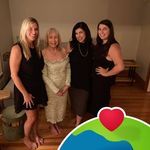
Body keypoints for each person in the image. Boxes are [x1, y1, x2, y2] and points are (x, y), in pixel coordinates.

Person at [9, 17, 48, 149]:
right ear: (24, 30)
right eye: (30, 28)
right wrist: (25, 94)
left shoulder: (36, 47)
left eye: (36, 29)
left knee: (37, 115)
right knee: (31, 118)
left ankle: (36, 134)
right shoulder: (17, 48)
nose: (34, 31)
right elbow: (13, 75)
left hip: (38, 87)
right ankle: (26, 139)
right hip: (26, 90)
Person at [89, 19, 124, 116]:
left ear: (110, 30)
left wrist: (106, 73)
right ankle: (96, 120)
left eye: (104, 29)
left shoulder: (113, 46)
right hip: (96, 81)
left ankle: (101, 124)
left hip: (102, 82)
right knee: (95, 104)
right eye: (99, 29)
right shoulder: (101, 43)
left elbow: (120, 66)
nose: (101, 32)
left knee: (100, 105)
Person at [42, 28, 70, 134]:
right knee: (51, 107)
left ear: (59, 39)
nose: (53, 40)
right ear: (47, 39)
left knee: (61, 107)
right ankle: (52, 125)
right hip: (51, 87)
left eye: (56, 37)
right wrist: (55, 90)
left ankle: (57, 123)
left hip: (64, 86)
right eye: (51, 37)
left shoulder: (63, 51)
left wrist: (67, 84)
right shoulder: (43, 53)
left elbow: (68, 68)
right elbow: (44, 75)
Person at [67, 22, 93, 126]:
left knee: (82, 104)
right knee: (74, 102)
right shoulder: (71, 44)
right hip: (72, 80)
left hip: (85, 81)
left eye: (81, 32)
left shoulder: (92, 46)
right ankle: (76, 118)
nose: (78, 36)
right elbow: (65, 60)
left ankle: (78, 124)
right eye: (76, 33)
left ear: (86, 32)